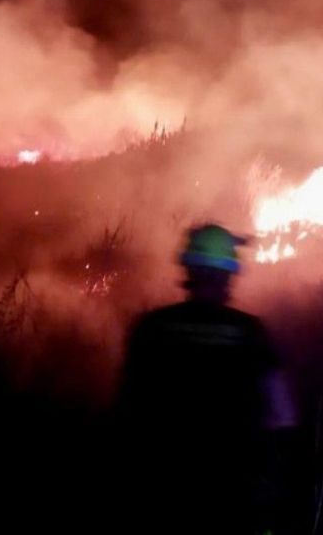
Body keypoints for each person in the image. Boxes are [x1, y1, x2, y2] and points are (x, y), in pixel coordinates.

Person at [117, 223, 296, 534]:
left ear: (188, 269)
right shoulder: (250, 333)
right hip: (232, 497)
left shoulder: (152, 328)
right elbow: (281, 418)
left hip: (159, 494)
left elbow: (125, 413)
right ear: (229, 275)